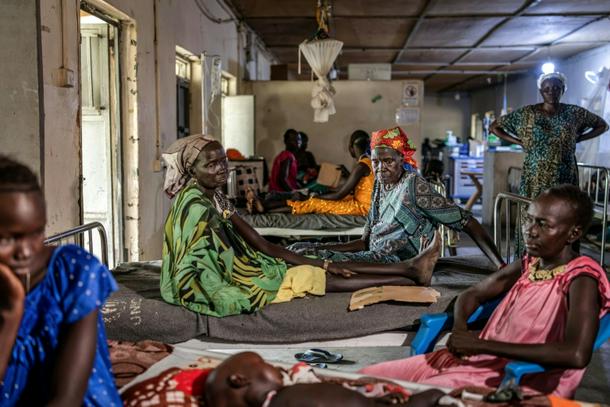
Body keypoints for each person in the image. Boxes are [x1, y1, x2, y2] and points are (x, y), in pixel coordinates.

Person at [360, 185, 610, 398]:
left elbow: (576, 354)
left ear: (573, 233)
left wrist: (482, 345)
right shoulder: (529, 264)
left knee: (413, 397)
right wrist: (460, 331)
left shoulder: (581, 278)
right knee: (365, 379)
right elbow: (472, 295)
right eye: (529, 219)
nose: (530, 230)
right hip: (476, 362)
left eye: (544, 224)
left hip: (518, 378)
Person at [160, 135, 443, 318]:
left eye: (223, 161)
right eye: (211, 165)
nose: (222, 168)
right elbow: (209, 263)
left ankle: (409, 270)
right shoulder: (196, 207)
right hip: (228, 278)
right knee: (311, 273)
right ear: (191, 170)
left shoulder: (214, 196)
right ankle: (408, 274)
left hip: (247, 263)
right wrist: (320, 264)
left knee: (307, 255)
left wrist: (317, 261)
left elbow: (255, 242)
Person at [290, 126, 504, 268]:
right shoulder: (379, 186)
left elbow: (467, 221)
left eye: (388, 161)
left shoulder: (413, 186)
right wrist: (319, 247)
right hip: (374, 257)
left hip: (399, 264)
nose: (380, 168)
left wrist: (500, 265)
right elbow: (365, 242)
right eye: (376, 162)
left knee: (311, 260)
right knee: (302, 250)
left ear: (401, 159)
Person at [0, 156, 121, 406]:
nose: (26, 251)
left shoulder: (74, 272)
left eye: (37, 232)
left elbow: (67, 398)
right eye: (7, 239)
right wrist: (11, 314)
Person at [490, 72, 608, 201]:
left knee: (564, 208)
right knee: (535, 208)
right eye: (546, 89)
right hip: (535, 175)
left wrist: (579, 138)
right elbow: (494, 127)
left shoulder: (575, 113)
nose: (551, 92)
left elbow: (603, 125)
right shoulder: (527, 113)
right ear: (541, 91)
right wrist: (519, 142)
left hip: (565, 174)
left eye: (556, 88)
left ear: (563, 89)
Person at [204, 351, 446, 407]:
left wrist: (373, 400)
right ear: (239, 380)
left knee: (432, 396)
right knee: (434, 396)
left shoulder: (285, 397)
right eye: (265, 363)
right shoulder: (284, 399)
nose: (277, 366)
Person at [250, 130, 374, 216]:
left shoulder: (361, 165)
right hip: (363, 204)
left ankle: (265, 208)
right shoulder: (369, 162)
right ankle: (265, 206)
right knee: (320, 196)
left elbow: (339, 195)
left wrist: (312, 197)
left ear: (351, 147)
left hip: (361, 208)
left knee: (314, 203)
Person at [268, 129, 302, 195]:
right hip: (281, 194)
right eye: (293, 140)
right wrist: (293, 192)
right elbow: (282, 179)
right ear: (286, 141)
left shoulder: (284, 155)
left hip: (277, 192)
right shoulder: (287, 156)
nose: (297, 142)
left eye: (297, 140)